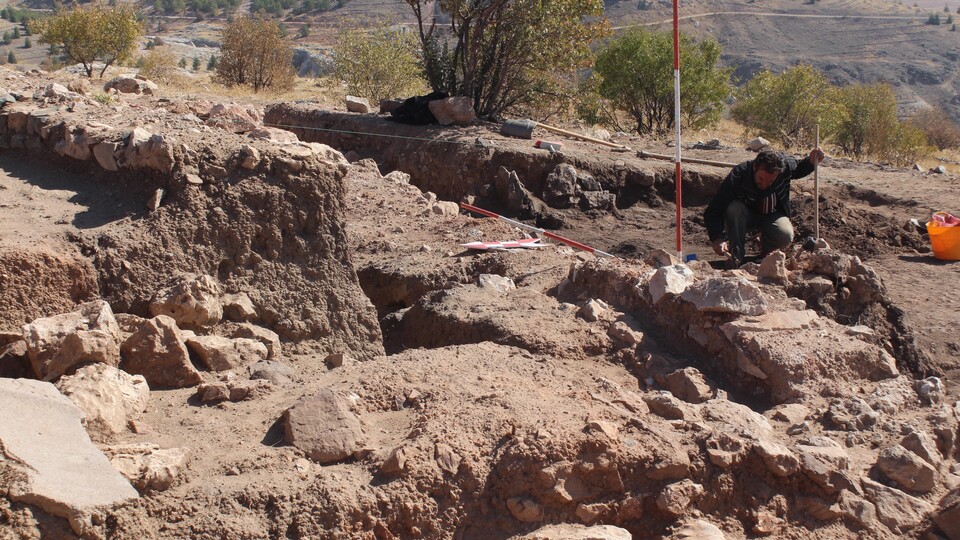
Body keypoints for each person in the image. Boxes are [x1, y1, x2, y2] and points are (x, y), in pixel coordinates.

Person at [703, 148, 825, 265]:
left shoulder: (785, 166)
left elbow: (799, 168)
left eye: (770, 181)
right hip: (744, 216)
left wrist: (811, 161)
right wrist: (717, 238)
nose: (764, 185)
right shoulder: (739, 175)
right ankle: (736, 255)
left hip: (772, 214)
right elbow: (714, 210)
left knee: (785, 234)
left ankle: (767, 253)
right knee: (734, 208)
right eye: (761, 179)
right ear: (754, 167)